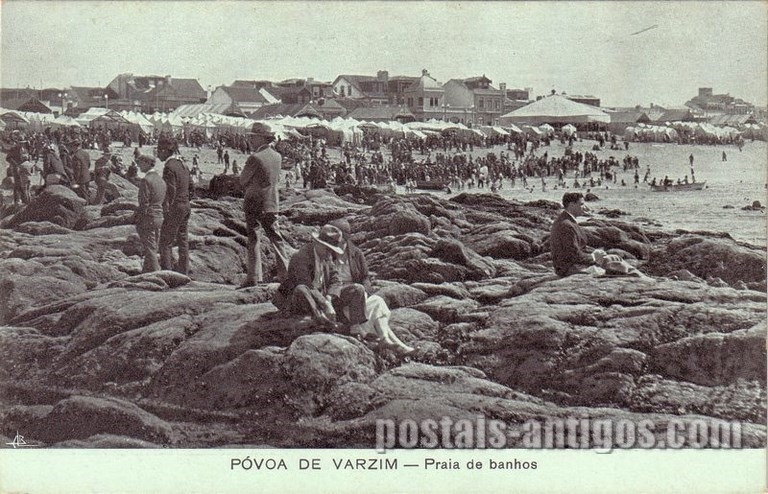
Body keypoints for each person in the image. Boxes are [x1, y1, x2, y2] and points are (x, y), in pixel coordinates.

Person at [327, 219, 414, 354]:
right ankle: (399, 345)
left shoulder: (356, 253)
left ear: (346, 238)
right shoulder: (327, 254)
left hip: (358, 296)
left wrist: (366, 292)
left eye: (341, 240)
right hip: (339, 299)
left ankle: (386, 338)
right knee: (364, 301)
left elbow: (365, 278)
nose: (338, 243)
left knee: (378, 302)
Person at [239, 124, 291, 287]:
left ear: (262, 138)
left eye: (253, 137)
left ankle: (254, 277)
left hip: (254, 202)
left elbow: (242, 180)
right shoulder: (277, 156)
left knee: (254, 237)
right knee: (276, 237)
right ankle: (286, 274)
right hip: (272, 202)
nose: (251, 139)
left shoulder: (256, 157)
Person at [271, 224, 344, 328]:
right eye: (327, 248)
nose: (330, 253)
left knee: (356, 289)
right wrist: (325, 304)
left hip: (320, 298)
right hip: (296, 299)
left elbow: (336, 280)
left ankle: (355, 328)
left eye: (332, 249)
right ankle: (321, 320)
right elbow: (305, 284)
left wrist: (329, 297)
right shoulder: (300, 257)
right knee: (302, 289)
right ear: (317, 243)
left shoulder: (327, 257)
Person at [157, 134, 193, 275]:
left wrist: (166, 208)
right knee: (183, 240)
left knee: (165, 242)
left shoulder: (169, 166)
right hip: (185, 205)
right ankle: (183, 272)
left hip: (175, 206)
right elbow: (191, 186)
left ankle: (168, 274)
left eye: (159, 150)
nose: (158, 153)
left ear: (165, 150)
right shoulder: (183, 164)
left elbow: (170, 190)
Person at [550, 192, 598, 276]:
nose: (585, 208)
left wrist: (596, 252)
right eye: (581, 204)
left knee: (612, 262)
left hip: (572, 265)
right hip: (567, 268)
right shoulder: (566, 225)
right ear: (572, 205)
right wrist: (594, 257)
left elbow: (579, 248)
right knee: (613, 268)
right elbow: (573, 254)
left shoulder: (566, 220)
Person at [133, 155, 166, 273]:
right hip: (159, 216)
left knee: (150, 249)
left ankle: (157, 274)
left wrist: (138, 219)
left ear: (147, 163)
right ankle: (146, 272)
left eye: (140, 163)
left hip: (149, 217)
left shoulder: (146, 180)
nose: (138, 165)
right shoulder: (160, 180)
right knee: (153, 247)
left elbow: (144, 202)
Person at [69, 138, 92, 204]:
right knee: (87, 192)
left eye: (72, 147)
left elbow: (77, 169)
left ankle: (86, 208)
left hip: (81, 179)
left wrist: (75, 180)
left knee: (83, 195)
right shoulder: (86, 153)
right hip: (87, 176)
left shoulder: (76, 156)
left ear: (74, 147)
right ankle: (89, 204)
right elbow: (89, 164)